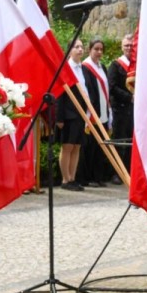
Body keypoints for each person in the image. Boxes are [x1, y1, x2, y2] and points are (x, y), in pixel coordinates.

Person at [76, 39, 112, 188]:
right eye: (96, 49)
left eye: (101, 49)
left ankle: (98, 176)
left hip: (103, 111)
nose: (99, 52)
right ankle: (87, 177)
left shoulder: (102, 66)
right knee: (89, 147)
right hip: (92, 113)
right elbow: (88, 90)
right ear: (90, 49)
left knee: (100, 146)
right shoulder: (86, 67)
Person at [56, 38, 88, 191]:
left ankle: (72, 178)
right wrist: (59, 117)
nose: (80, 49)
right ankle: (65, 179)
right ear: (69, 50)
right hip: (68, 114)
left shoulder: (83, 68)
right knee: (67, 146)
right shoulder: (65, 68)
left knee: (77, 147)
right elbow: (59, 95)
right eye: (77, 47)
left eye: (81, 47)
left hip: (81, 113)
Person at [107, 34, 135, 176]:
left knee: (132, 140)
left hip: (133, 109)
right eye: (126, 45)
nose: (129, 48)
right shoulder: (115, 65)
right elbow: (111, 87)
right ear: (121, 47)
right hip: (120, 108)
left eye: (131, 45)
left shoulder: (137, 65)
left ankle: (129, 171)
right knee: (119, 140)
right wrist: (129, 97)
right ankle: (116, 173)